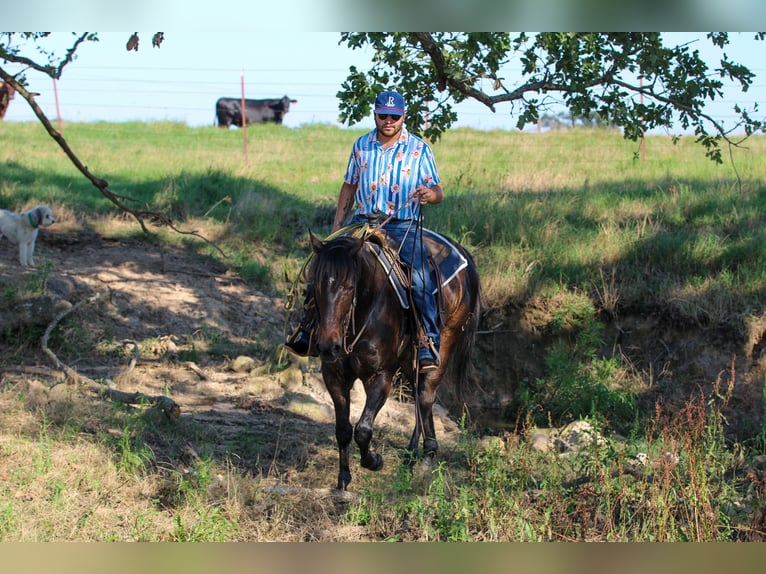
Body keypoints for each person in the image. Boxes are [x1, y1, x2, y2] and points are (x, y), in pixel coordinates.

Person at [285, 89, 444, 371]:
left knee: (420, 276)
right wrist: (337, 229)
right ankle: (307, 331)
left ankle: (427, 341)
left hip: (402, 225)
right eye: (383, 115)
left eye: (394, 116)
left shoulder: (419, 149)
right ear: (375, 114)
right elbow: (349, 185)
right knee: (322, 267)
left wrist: (428, 195)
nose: (388, 121)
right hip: (361, 222)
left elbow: (438, 191)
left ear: (403, 117)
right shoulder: (361, 146)